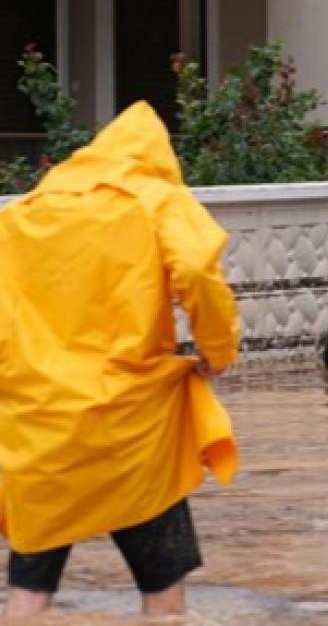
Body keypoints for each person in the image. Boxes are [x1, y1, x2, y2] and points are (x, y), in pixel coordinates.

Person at [0, 102, 240, 617]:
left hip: (41, 425)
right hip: (133, 428)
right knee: (163, 584)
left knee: (29, 587)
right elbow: (198, 272)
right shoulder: (158, 201)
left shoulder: (23, 215)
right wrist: (216, 351)